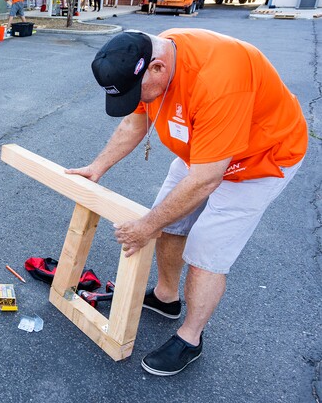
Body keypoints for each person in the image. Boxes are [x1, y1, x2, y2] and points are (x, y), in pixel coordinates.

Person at [67, 29, 307, 376]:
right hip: (202, 150)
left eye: (138, 92)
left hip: (259, 161)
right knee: (172, 224)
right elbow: (137, 121)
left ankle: (190, 338)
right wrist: (96, 167)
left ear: (159, 69)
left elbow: (207, 179)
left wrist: (147, 226)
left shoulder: (220, 78)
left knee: (206, 252)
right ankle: (167, 298)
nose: (139, 100)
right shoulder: (144, 56)